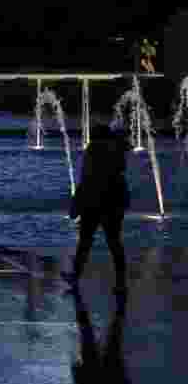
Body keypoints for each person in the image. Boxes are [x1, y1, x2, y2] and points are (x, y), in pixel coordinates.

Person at [64, 125, 130, 294]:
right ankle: (120, 282)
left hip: (94, 204)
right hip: (111, 204)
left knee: (86, 241)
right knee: (113, 243)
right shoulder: (115, 154)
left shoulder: (94, 152)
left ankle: (75, 276)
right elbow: (118, 179)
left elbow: (87, 181)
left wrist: (76, 203)